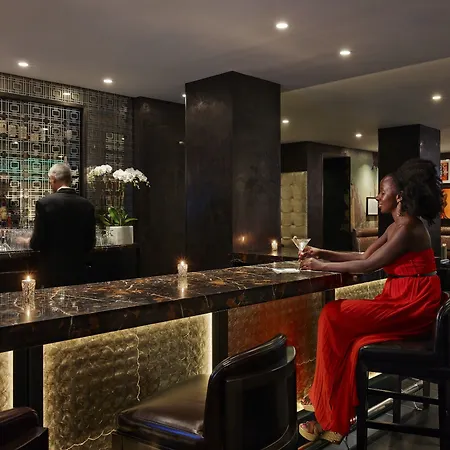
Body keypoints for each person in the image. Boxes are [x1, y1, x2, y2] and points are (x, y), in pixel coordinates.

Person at [297, 158, 444, 444]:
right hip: (401, 298)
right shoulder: (397, 227)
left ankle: (326, 404)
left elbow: (368, 266)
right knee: (345, 332)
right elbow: (363, 256)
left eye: (382, 192)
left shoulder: (407, 228)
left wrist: (320, 266)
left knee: (332, 315)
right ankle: (329, 407)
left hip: (414, 304)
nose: (377, 196)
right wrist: (322, 253)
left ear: (399, 196)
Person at [20, 163, 96, 288]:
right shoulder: (87, 205)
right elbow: (90, 242)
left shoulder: (44, 203)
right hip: (79, 272)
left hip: (52, 273)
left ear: (53, 179)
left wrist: (26, 241)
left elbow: (36, 243)